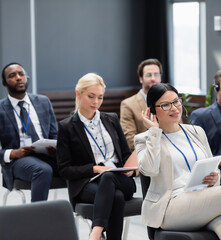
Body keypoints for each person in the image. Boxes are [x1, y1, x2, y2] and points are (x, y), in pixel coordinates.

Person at [134, 83, 221, 240]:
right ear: (153, 110)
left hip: (202, 201)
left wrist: (214, 178)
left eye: (176, 101)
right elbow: (149, 169)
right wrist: (154, 132)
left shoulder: (196, 132)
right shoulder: (145, 139)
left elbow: (214, 168)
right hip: (171, 207)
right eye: (166, 105)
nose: (174, 108)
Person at [57, 73, 136, 240]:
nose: (96, 102)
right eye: (91, 96)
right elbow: (64, 170)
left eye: (100, 97)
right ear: (78, 94)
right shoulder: (66, 127)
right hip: (88, 183)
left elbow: (125, 153)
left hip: (120, 178)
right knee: (116, 195)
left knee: (109, 177)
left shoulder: (112, 119)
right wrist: (95, 168)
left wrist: (131, 169)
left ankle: (95, 233)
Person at [0, 62, 58, 202]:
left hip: (46, 155)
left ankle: (85, 213)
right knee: (43, 170)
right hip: (18, 160)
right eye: (12, 76)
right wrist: (13, 153)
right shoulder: (1, 109)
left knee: (78, 164)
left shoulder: (43, 102)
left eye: (21, 74)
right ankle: (36, 220)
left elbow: (54, 134)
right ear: (5, 83)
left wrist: (56, 148)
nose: (19, 78)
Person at [120, 58, 162, 151]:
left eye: (156, 74)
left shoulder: (169, 101)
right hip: (143, 153)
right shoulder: (128, 104)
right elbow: (130, 140)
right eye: (148, 75)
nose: (153, 78)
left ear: (160, 77)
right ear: (140, 79)